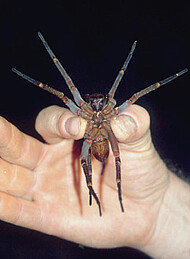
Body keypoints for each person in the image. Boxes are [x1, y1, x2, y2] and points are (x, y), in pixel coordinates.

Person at [0, 104, 189, 259]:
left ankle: (99, 195)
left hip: (104, 142)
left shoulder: (108, 118)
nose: (97, 108)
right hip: (92, 142)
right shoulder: (89, 117)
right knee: (86, 160)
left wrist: (161, 214)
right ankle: (92, 193)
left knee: (116, 158)